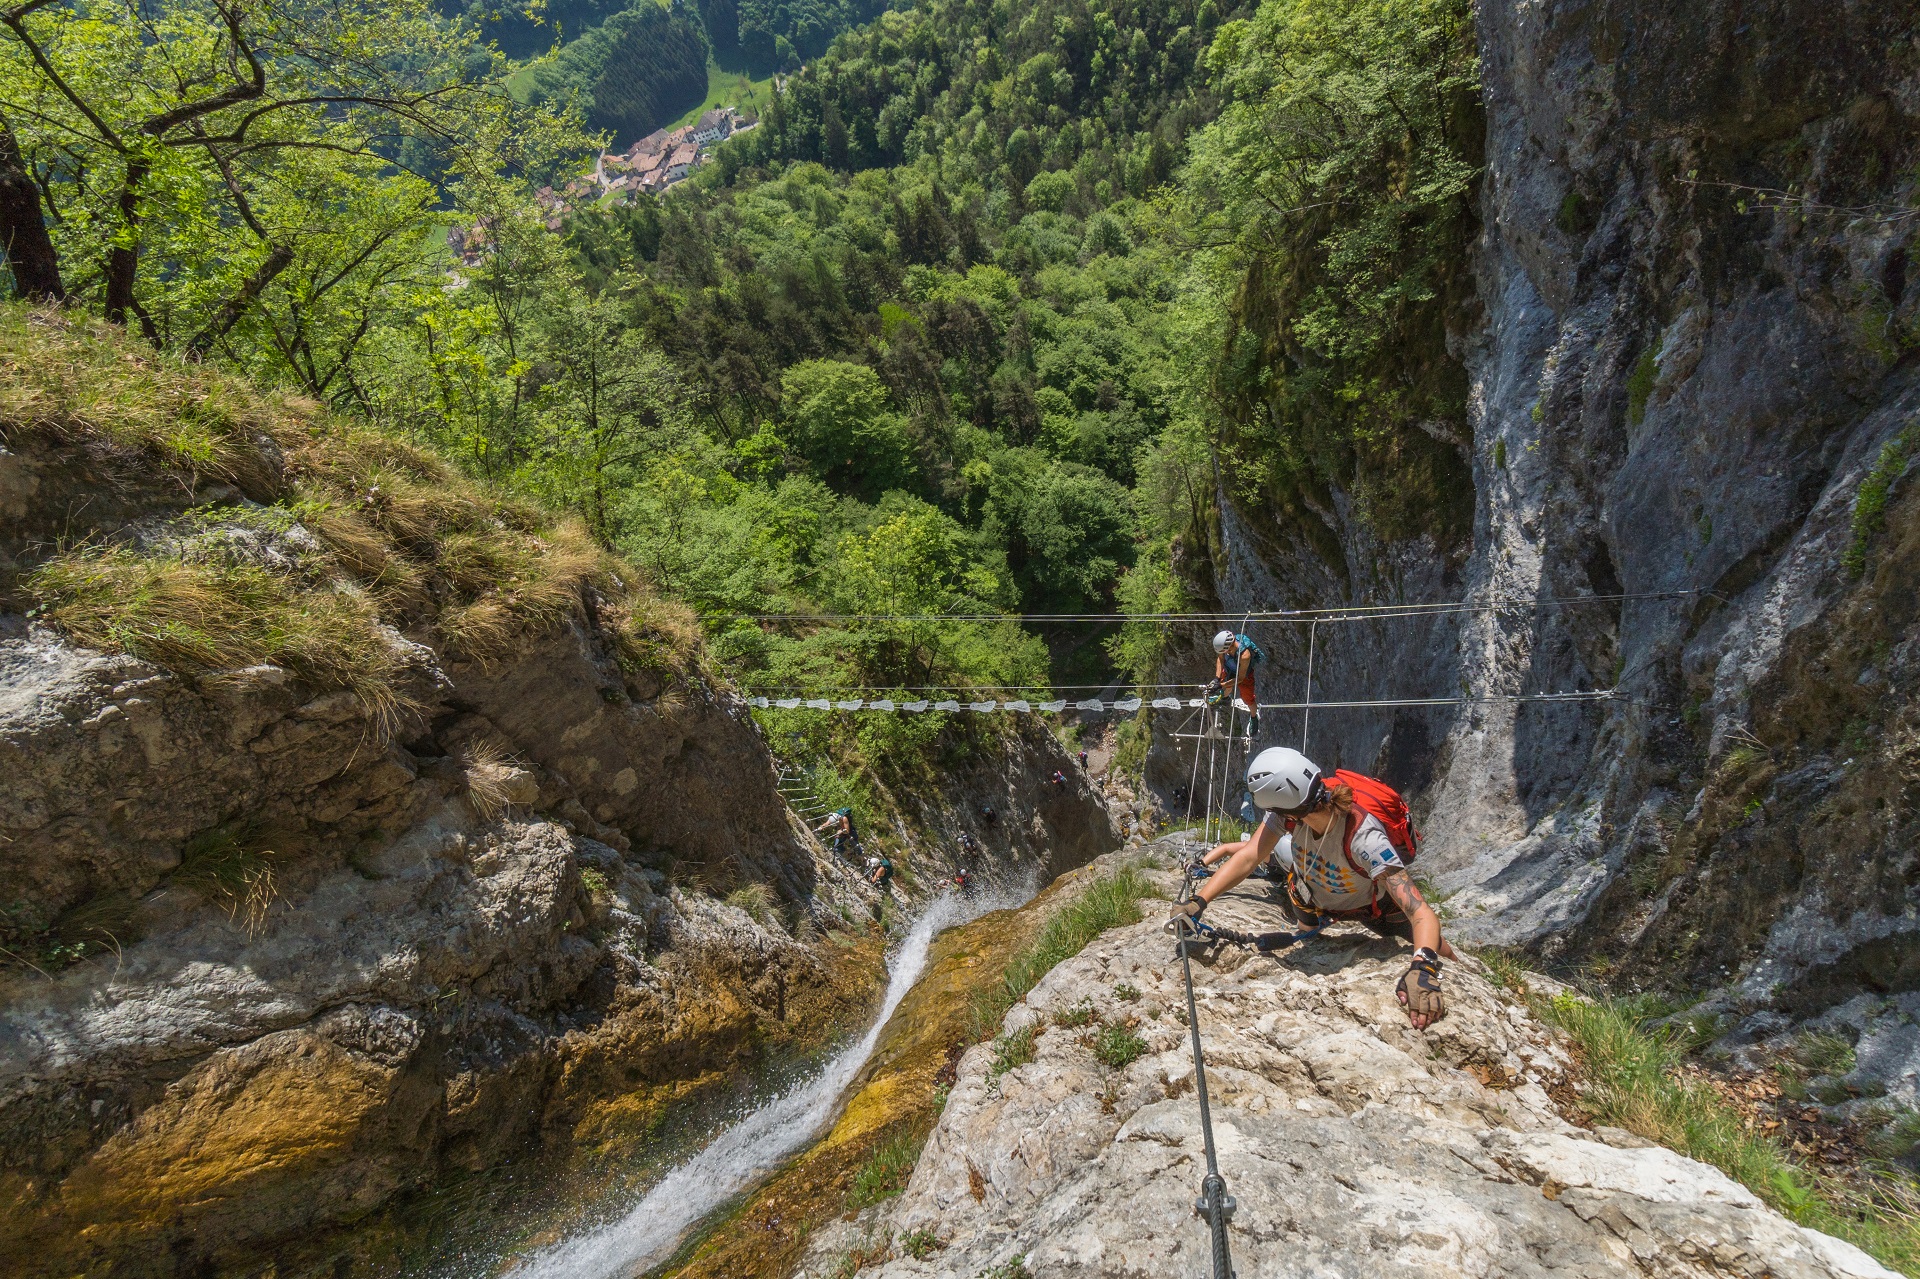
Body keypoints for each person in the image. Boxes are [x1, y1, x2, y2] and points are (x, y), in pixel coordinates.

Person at [1171, 746, 1454, 1029]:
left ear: (1280, 805)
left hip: (1374, 909)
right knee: (1310, 933)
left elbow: (1420, 912)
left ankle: (1454, 962)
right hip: (1314, 899)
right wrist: (1199, 901)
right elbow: (1248, 856)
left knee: (1439, 948)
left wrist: (1423, 966)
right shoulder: (1290, 815)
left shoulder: (1364, 836)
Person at [1212, 628, 1266, 735]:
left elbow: (1240, 678)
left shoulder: (1244, 655)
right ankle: (1225, 697)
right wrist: (1217, 679)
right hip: (1230, 665)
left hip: (1244, 674)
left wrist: (1220, 685)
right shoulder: (1225, 646)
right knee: (1223, 684)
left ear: (1229, 648)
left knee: (1248, 698)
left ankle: (1254, 717)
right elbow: (1221, 659)